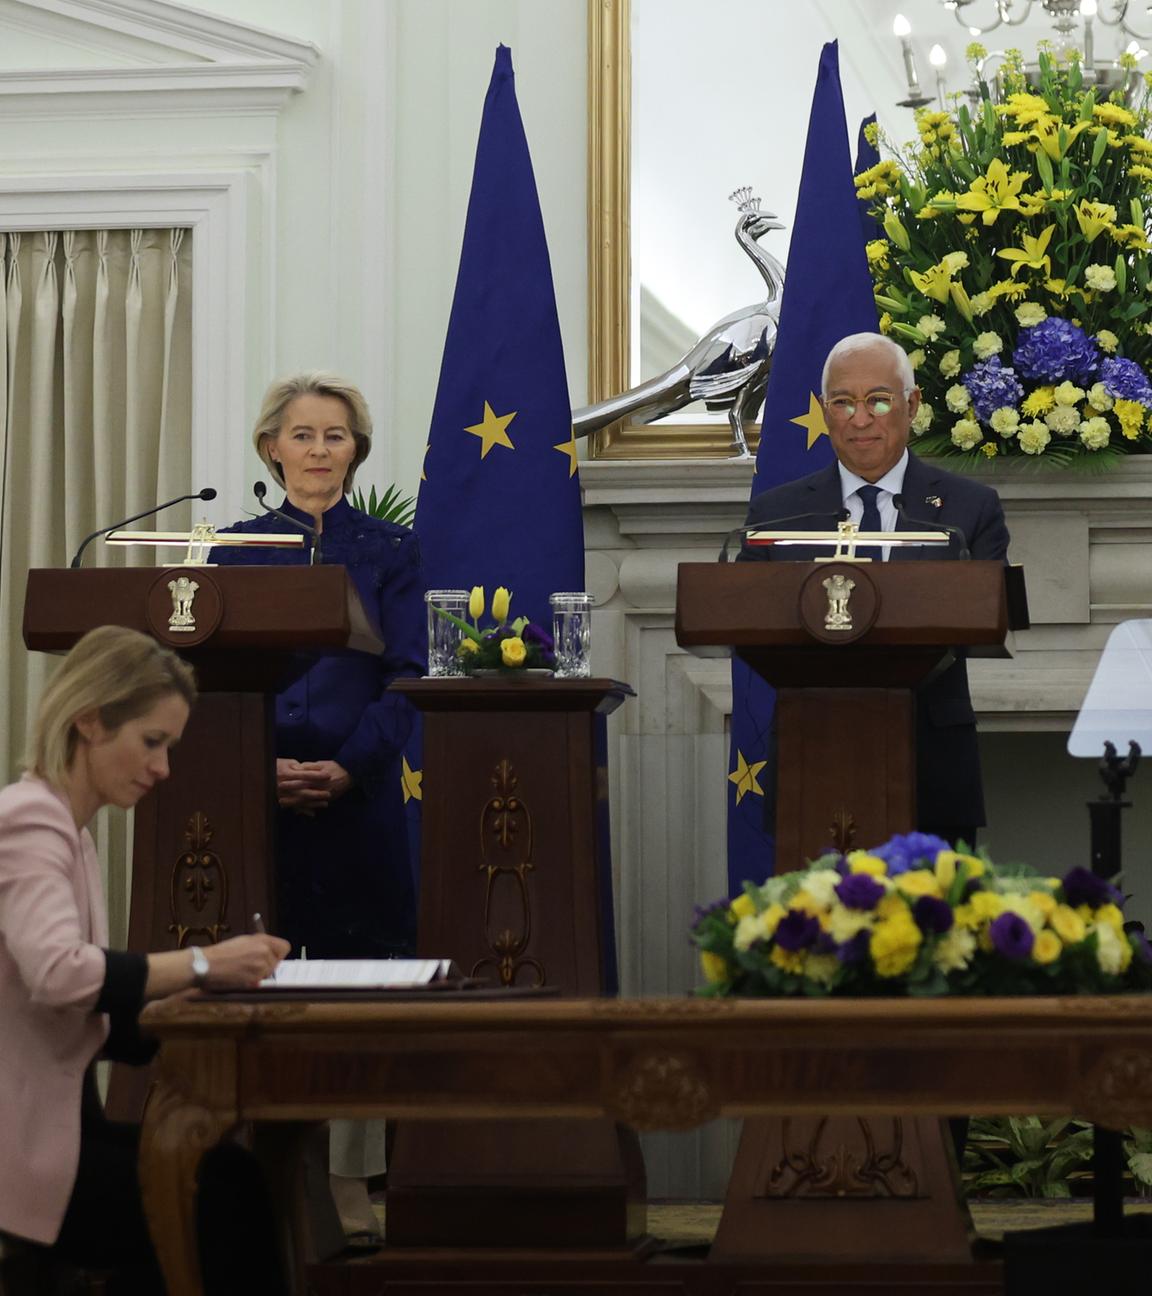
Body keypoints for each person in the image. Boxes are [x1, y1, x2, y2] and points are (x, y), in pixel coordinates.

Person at [0, 625, 290, 1290]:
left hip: (55, 1130)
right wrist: (202, 965)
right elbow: (59, 975)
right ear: (91, 722)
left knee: (229, 1180)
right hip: (23, 1149)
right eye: (152, 742)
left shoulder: (68, 831)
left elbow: (86, 1004)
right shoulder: (31, 821)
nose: (163, 767)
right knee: (222, 1196)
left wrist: (177, 1002)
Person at [210, 372, 426, 1239]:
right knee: (268, 986)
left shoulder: (391, 552)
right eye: (301, 436)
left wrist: (345, 768)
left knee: (357, 990)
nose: (318, 452)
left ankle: (350, 1181)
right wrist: (263, 771)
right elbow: (210, 676)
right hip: (257, 805)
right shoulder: (236, 550)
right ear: (272, 447)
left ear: (355, 450)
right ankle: (266, 1176)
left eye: (334, 437)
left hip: (361, 797)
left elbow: (409, 671)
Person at [741, 331, 1010, 847]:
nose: (860, 419)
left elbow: (983, 616)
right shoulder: (777, 514)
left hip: (932, 766)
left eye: (878, 401)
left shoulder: (969, 510)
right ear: (824, 411)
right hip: (811, 761)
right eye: (842, 403)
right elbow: (745, 618)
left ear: (911, 405)